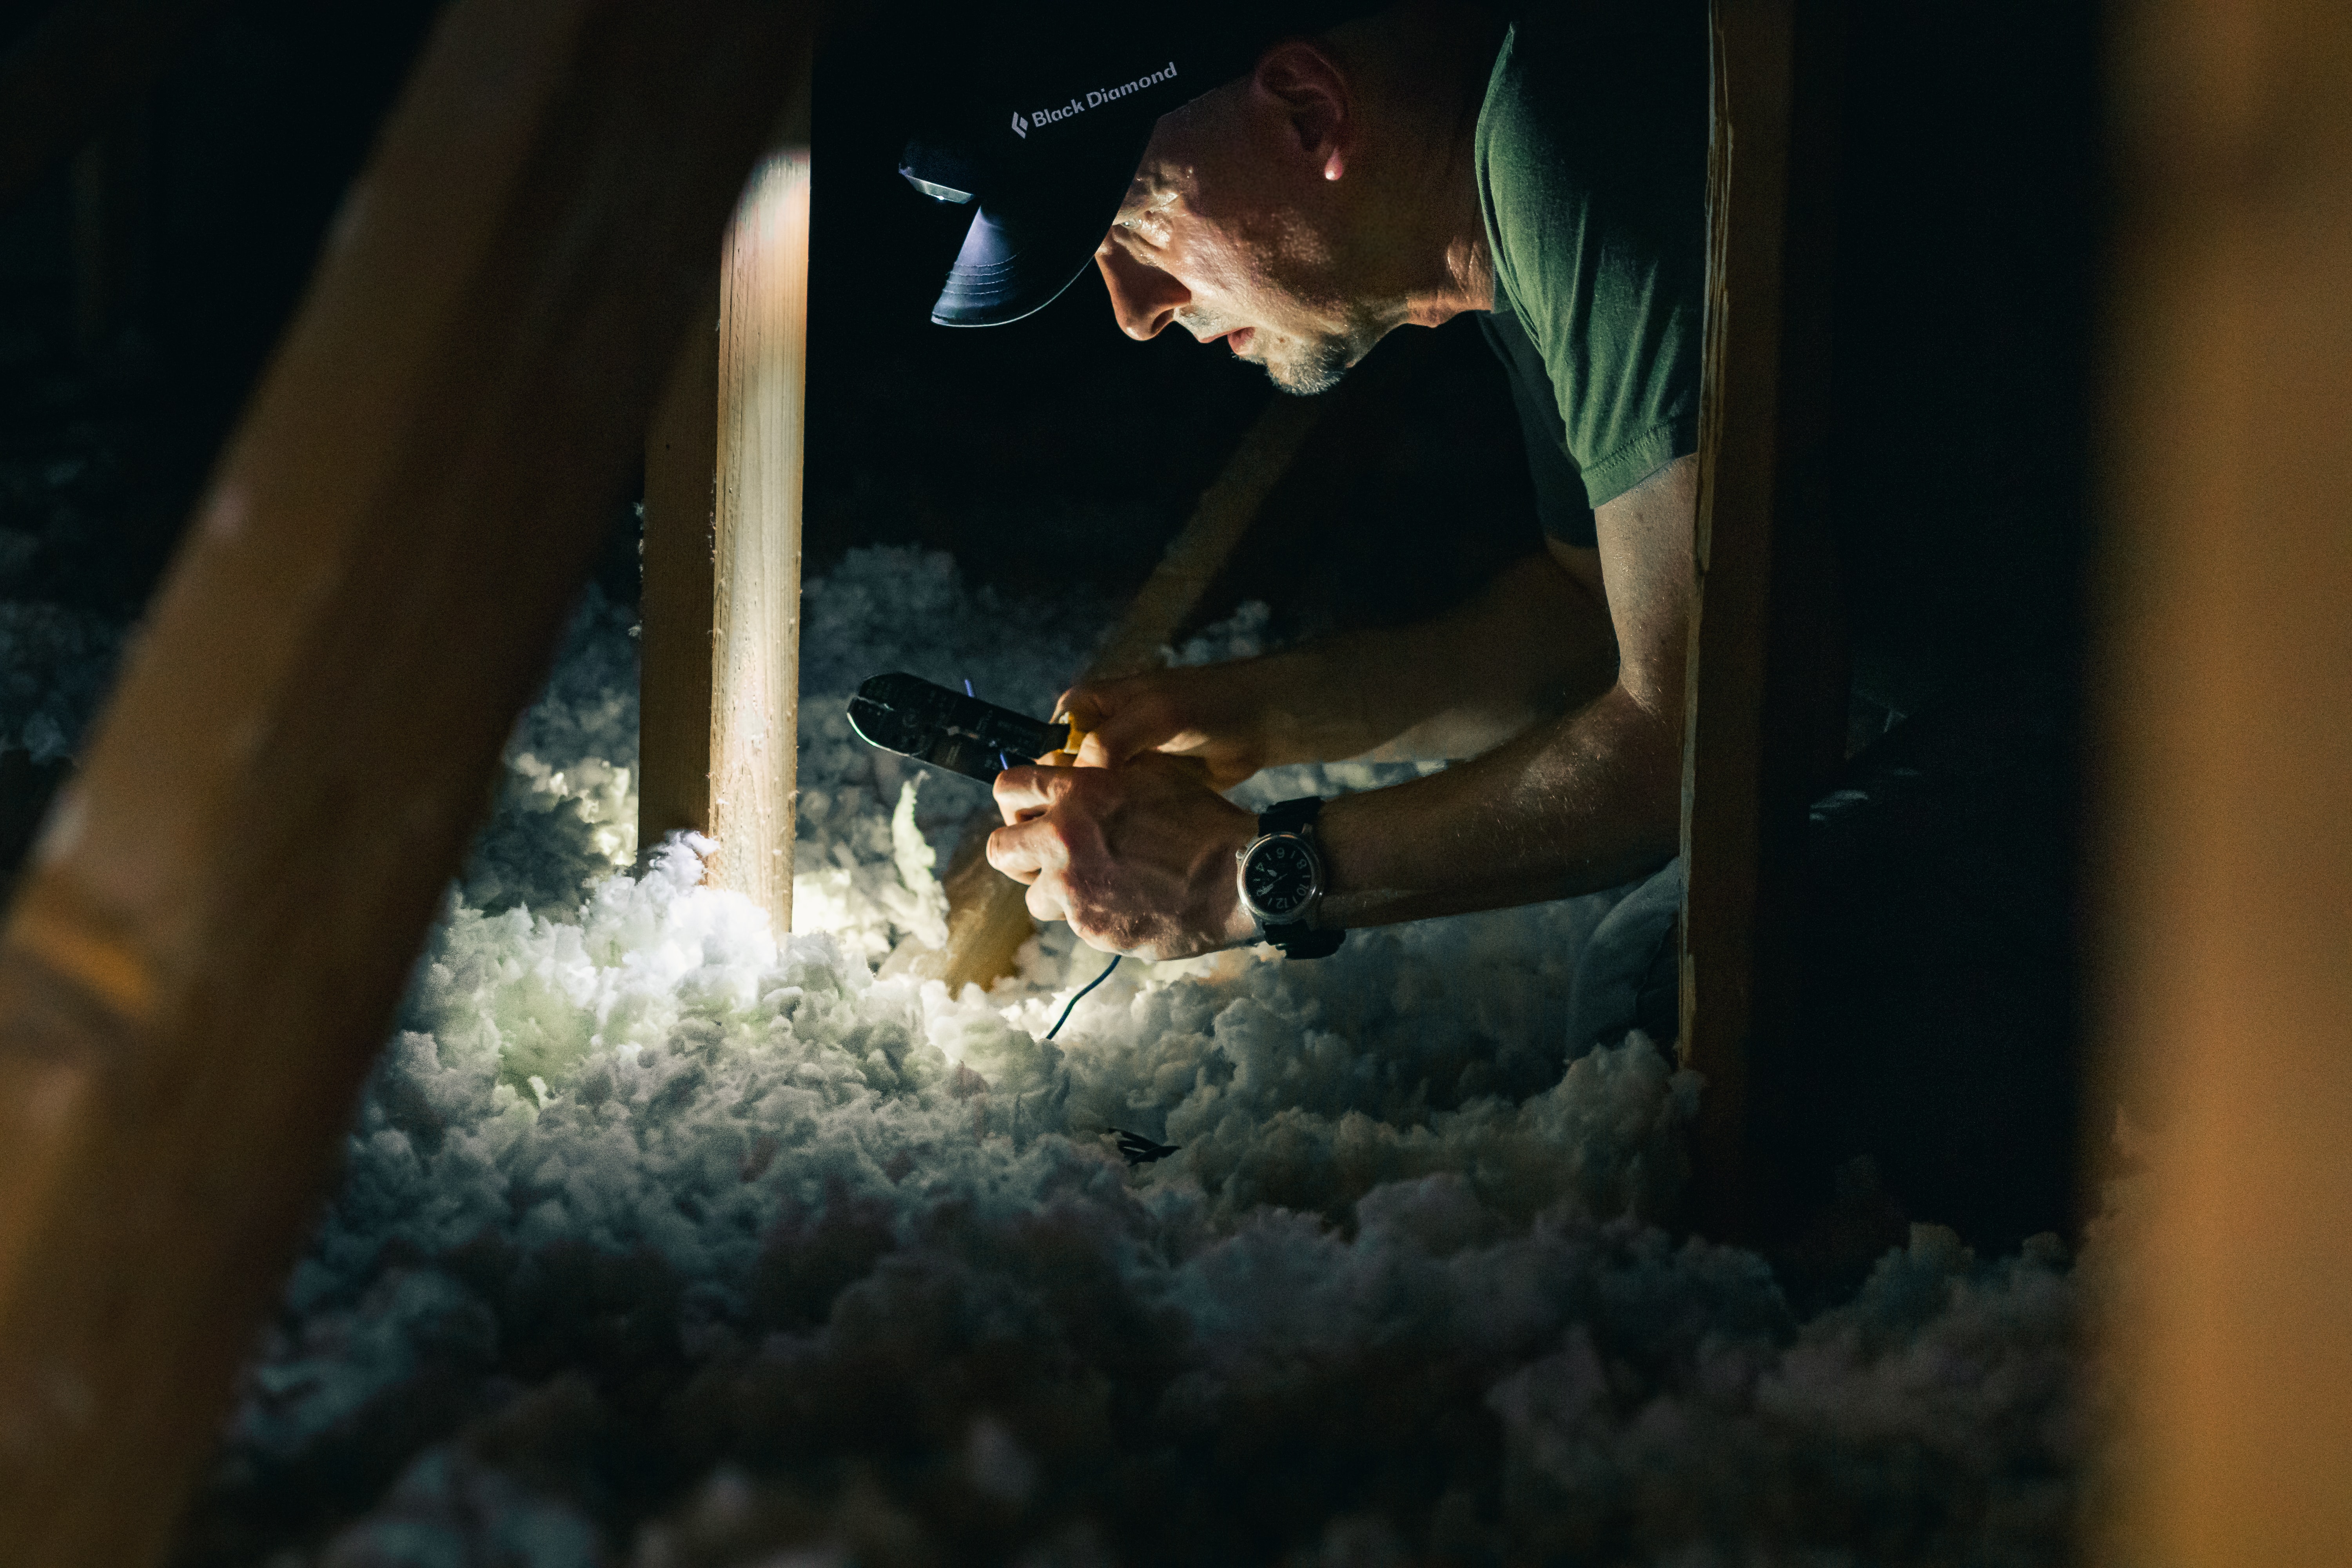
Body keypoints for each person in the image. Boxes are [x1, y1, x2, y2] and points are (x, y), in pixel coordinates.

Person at [899, 0, 1706, 1046]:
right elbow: (1593, 617)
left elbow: (1691, 739)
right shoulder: (1497, 205)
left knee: (1651, 993)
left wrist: (1239, 879)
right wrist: (1267, 715)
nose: (1135, 310)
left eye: (1136, 227)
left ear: (1308, 113)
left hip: (1984, 720)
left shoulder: (1572, 143)